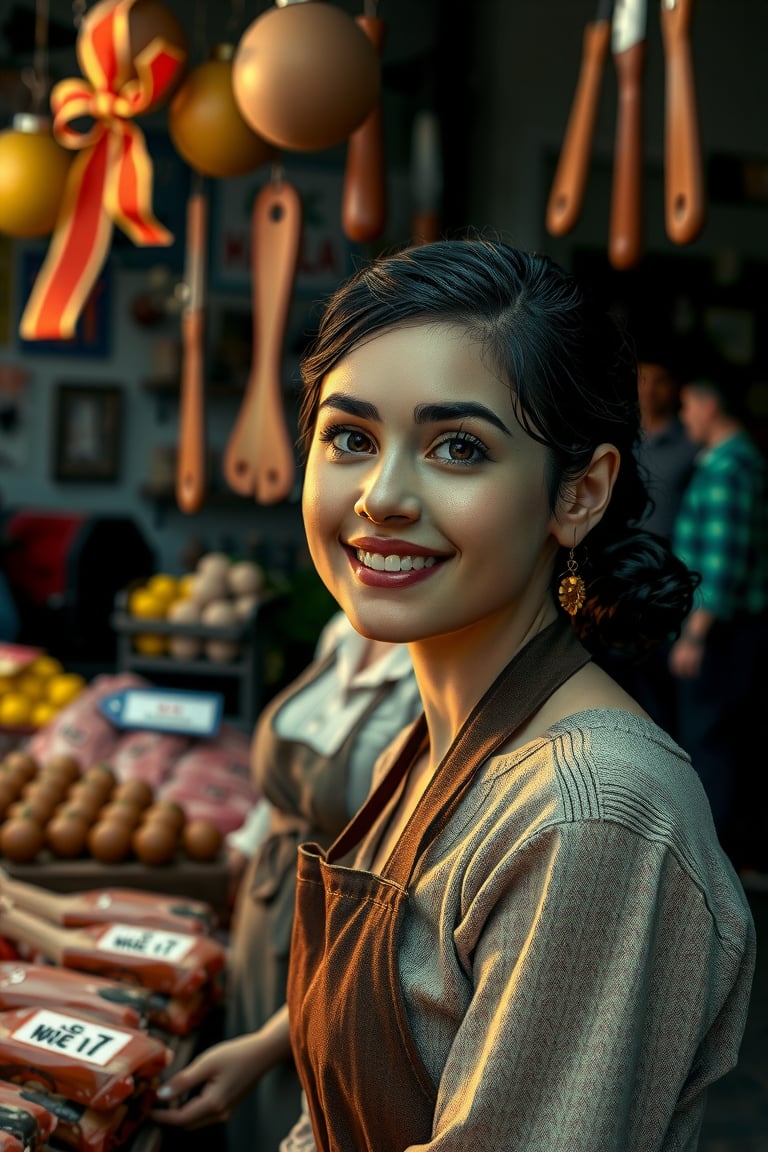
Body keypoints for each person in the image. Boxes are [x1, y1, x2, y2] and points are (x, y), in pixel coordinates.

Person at [153, 239, 755, 1152]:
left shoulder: (592, 819)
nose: (383, 497)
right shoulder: (438, 741)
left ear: (580, 494)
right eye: (350, 437)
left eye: (458, 448)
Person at [224, 608, 422, 1152]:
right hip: (266, 901)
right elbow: (277, 794)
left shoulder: (431, 668)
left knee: (304, 1100)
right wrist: (242, 848)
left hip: (341, 921)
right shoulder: (342, 628)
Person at [669, 371, 768, 875]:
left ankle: (706, 868)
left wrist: (695, 634)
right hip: (725, 630)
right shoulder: (732, 461)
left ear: (708, 404)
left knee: (708, 742)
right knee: (713, 739)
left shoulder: (730, 467)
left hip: (721, 633)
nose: (684, 417)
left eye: (687, 406)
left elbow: (723, 563)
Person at [606, 351, 698, 734]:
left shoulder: (693, 446)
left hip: (669, 588)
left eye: (659, 380)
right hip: (619, 584)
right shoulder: (619, 439)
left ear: (674, 388)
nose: (649, 390)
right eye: (642, 379)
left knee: (668, 700)